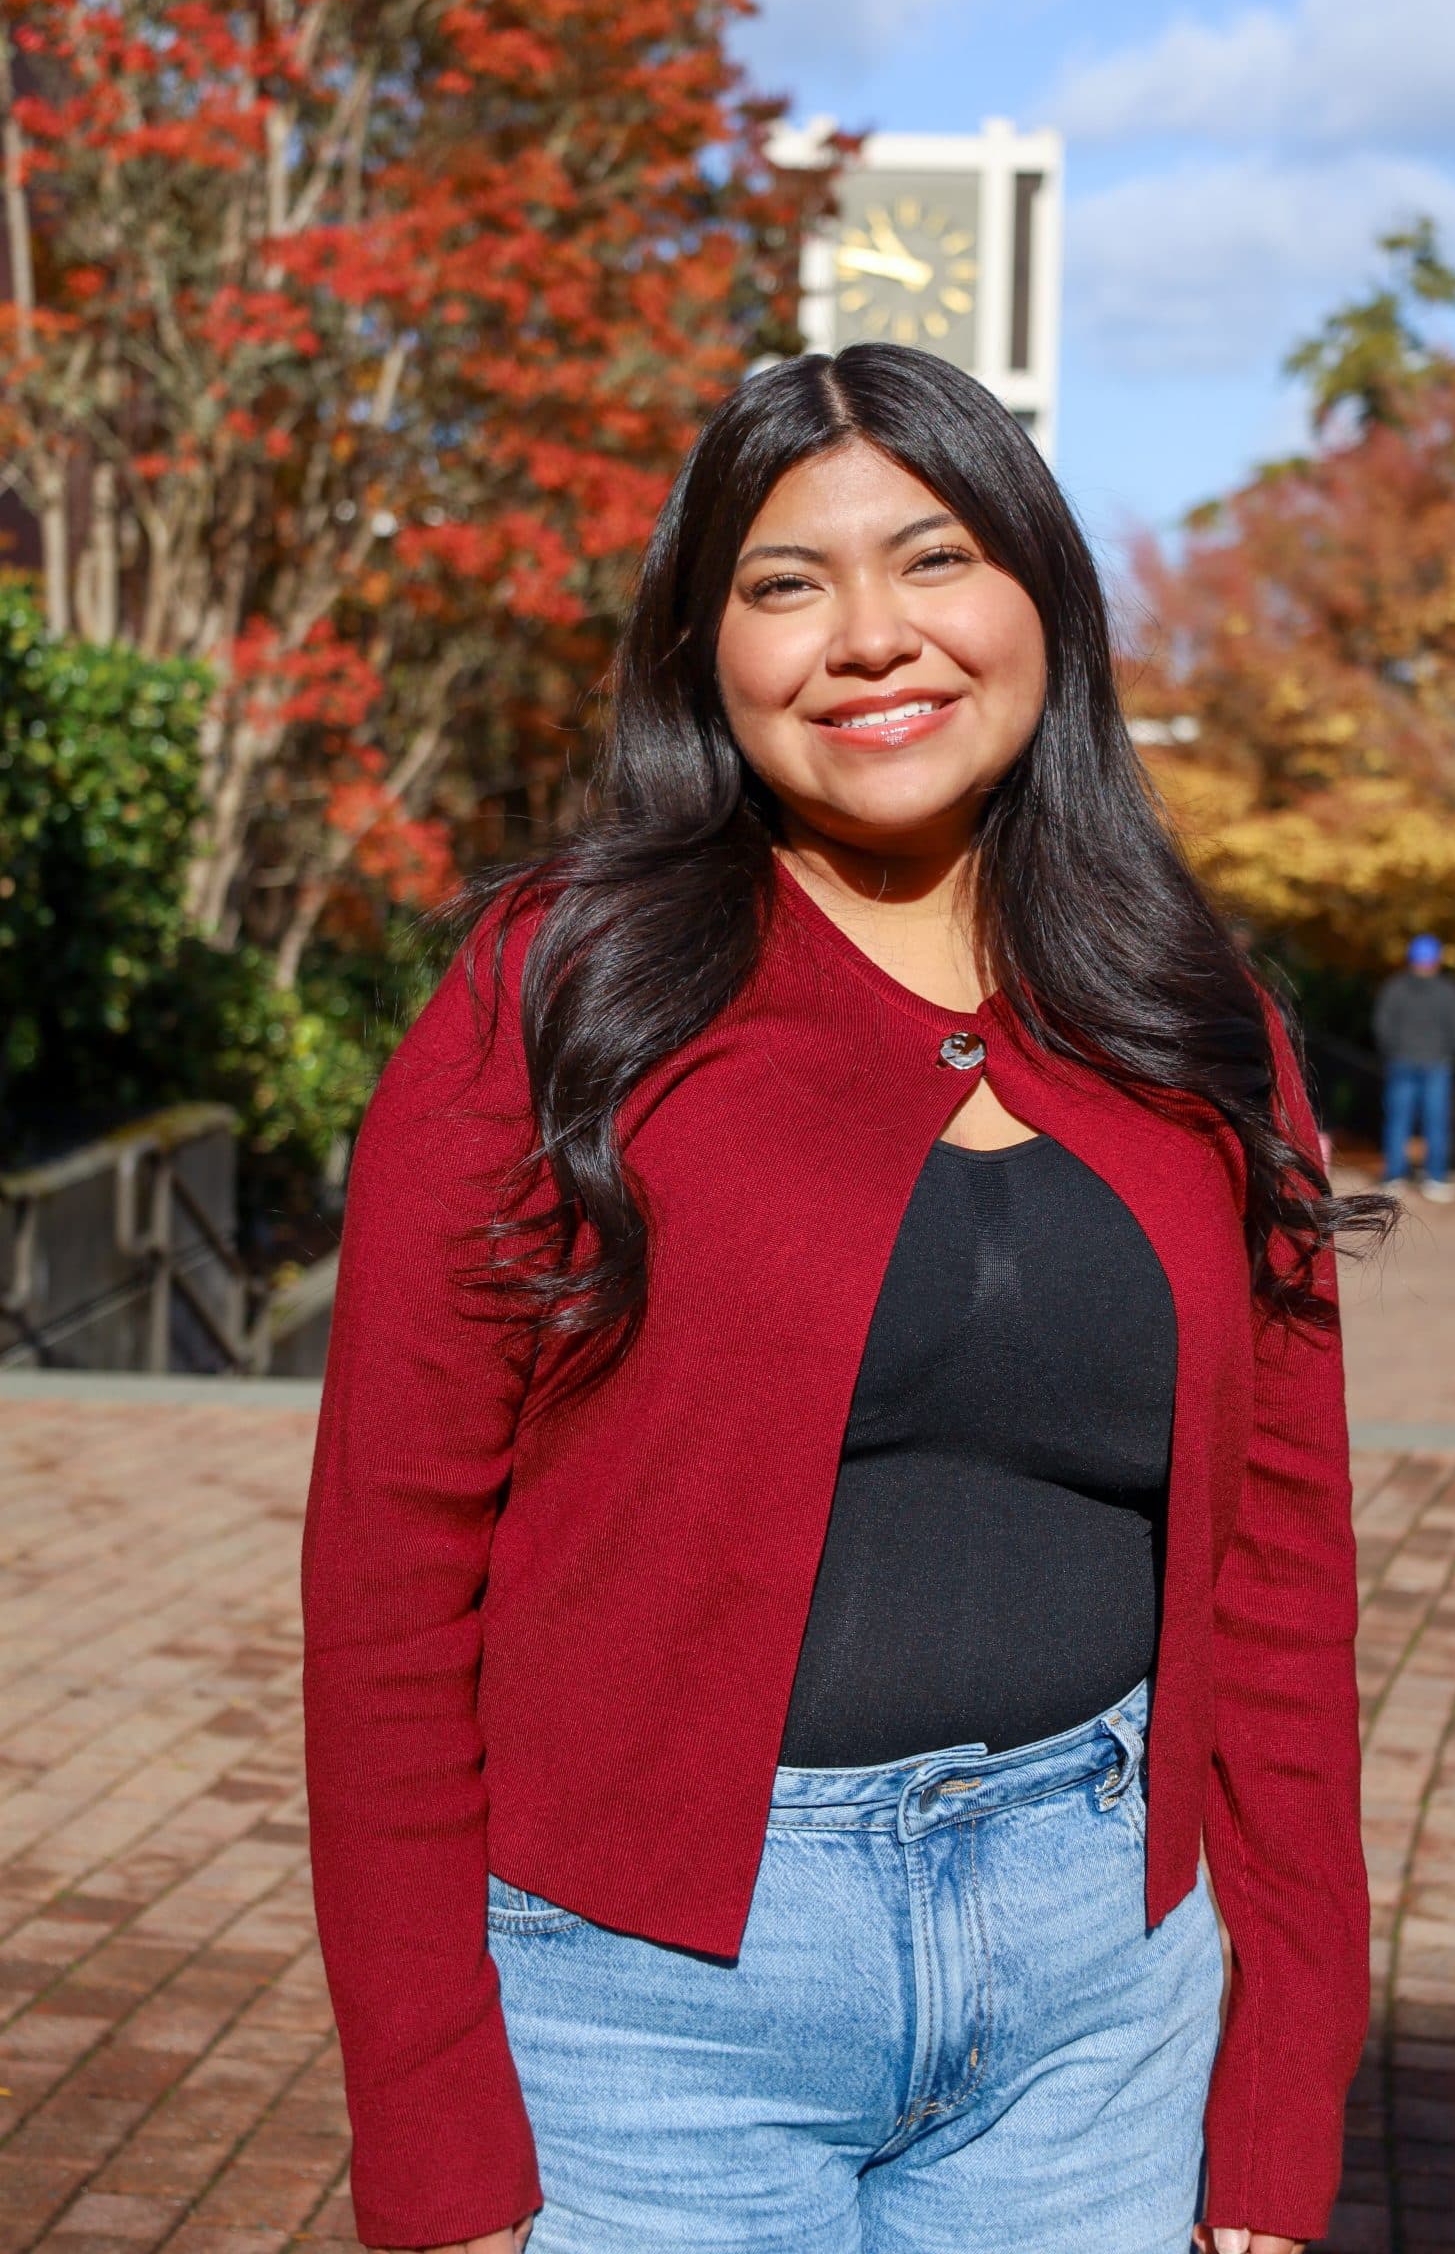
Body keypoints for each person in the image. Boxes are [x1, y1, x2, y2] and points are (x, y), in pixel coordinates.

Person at [302, 348, 1385, 2254]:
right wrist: (431, 2128)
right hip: (647, 2018)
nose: (869, 636)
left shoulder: (1187, 1013)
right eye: (785, 584)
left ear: (1040, 596)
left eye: (932, 558)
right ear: (703, 651)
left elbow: (1281, 1581)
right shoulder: (557, 996)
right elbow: (389, 1585)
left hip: (1097, 1997)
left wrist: (1283, 2083)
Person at [1374, 934, 1455, 1200]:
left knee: (1397, 1121)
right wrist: (1445, 1054)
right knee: (1435, 1123)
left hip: (1402, 1061)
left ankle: (1394, 1176)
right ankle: (1434, 1177)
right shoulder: (1447, 991)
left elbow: (1382, 1025)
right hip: (1436, 1064)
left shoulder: (1394, 988)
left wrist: (1393, 1051)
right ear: (1437, 961)